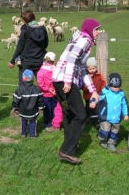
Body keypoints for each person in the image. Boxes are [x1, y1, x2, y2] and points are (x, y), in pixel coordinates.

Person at [52, 18, 101, 165]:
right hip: (64, 80)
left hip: (58, 79)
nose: (98, 32)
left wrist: (93, 91)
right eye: (97, 29)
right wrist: (67, 82)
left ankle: (69, 149)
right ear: (90, 30)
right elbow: (71, 60)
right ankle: (66, 150)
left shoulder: (79, 39)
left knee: (69, 114)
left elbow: (81, 68)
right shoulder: (85, 40)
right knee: (81, 115)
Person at [8, 11, 48, 81]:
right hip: (40, 60)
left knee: (24, 83)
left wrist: (12, 61)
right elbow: (45, 44)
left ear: (25, 20)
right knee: (41, 83)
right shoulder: (43, 29)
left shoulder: (25, 31)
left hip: (27, 61)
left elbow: (20, 47)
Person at [98, 73, 129, 152]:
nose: (116, 88)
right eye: (114, 87)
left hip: (116, 117)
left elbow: (124, 105)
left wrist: (125, 114)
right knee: (105, 130)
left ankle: (111, 143)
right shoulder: (105, 92)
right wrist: (93, 102)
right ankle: (103, 140)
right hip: (106, 116)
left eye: (118, 87)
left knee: (115, 131)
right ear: (109, 84)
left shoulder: (121, 94)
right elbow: (97, 98)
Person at [12, 69, 44, 137]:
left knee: (24, 121)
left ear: (23, 78)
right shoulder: (37, 89)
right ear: (32, 78)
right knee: (33, 122)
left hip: (23, 111)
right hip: (33, 111)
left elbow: (15, 100)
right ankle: (32, 135)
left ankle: (23, 134)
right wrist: (41, 107)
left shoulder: (19, 89)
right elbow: (40, 100)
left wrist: (15, 107)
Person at [37, 51, 62, 132]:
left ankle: (48, 123)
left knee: (48, 109)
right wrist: (54, 89)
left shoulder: (41, 71)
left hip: (46, 94)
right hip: (53, 93)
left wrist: (48, 89)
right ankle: (52, 122)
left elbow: (40, 84)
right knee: (54, 108)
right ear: (53, 61)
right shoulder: (55, 69)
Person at [82, 57, 106, 125]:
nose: (92, 70)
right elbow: (84, 86)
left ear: (96, 68)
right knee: (88, 108)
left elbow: (103, 83)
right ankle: (85, 119)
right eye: (90, 69)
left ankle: (96, 122)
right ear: (87, 68)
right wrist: (86, 88)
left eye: (93, 68)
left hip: (97, 95)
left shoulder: (99, 75)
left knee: (96, 109)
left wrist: (102, 90)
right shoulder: (86, 77)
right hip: (88, 96)